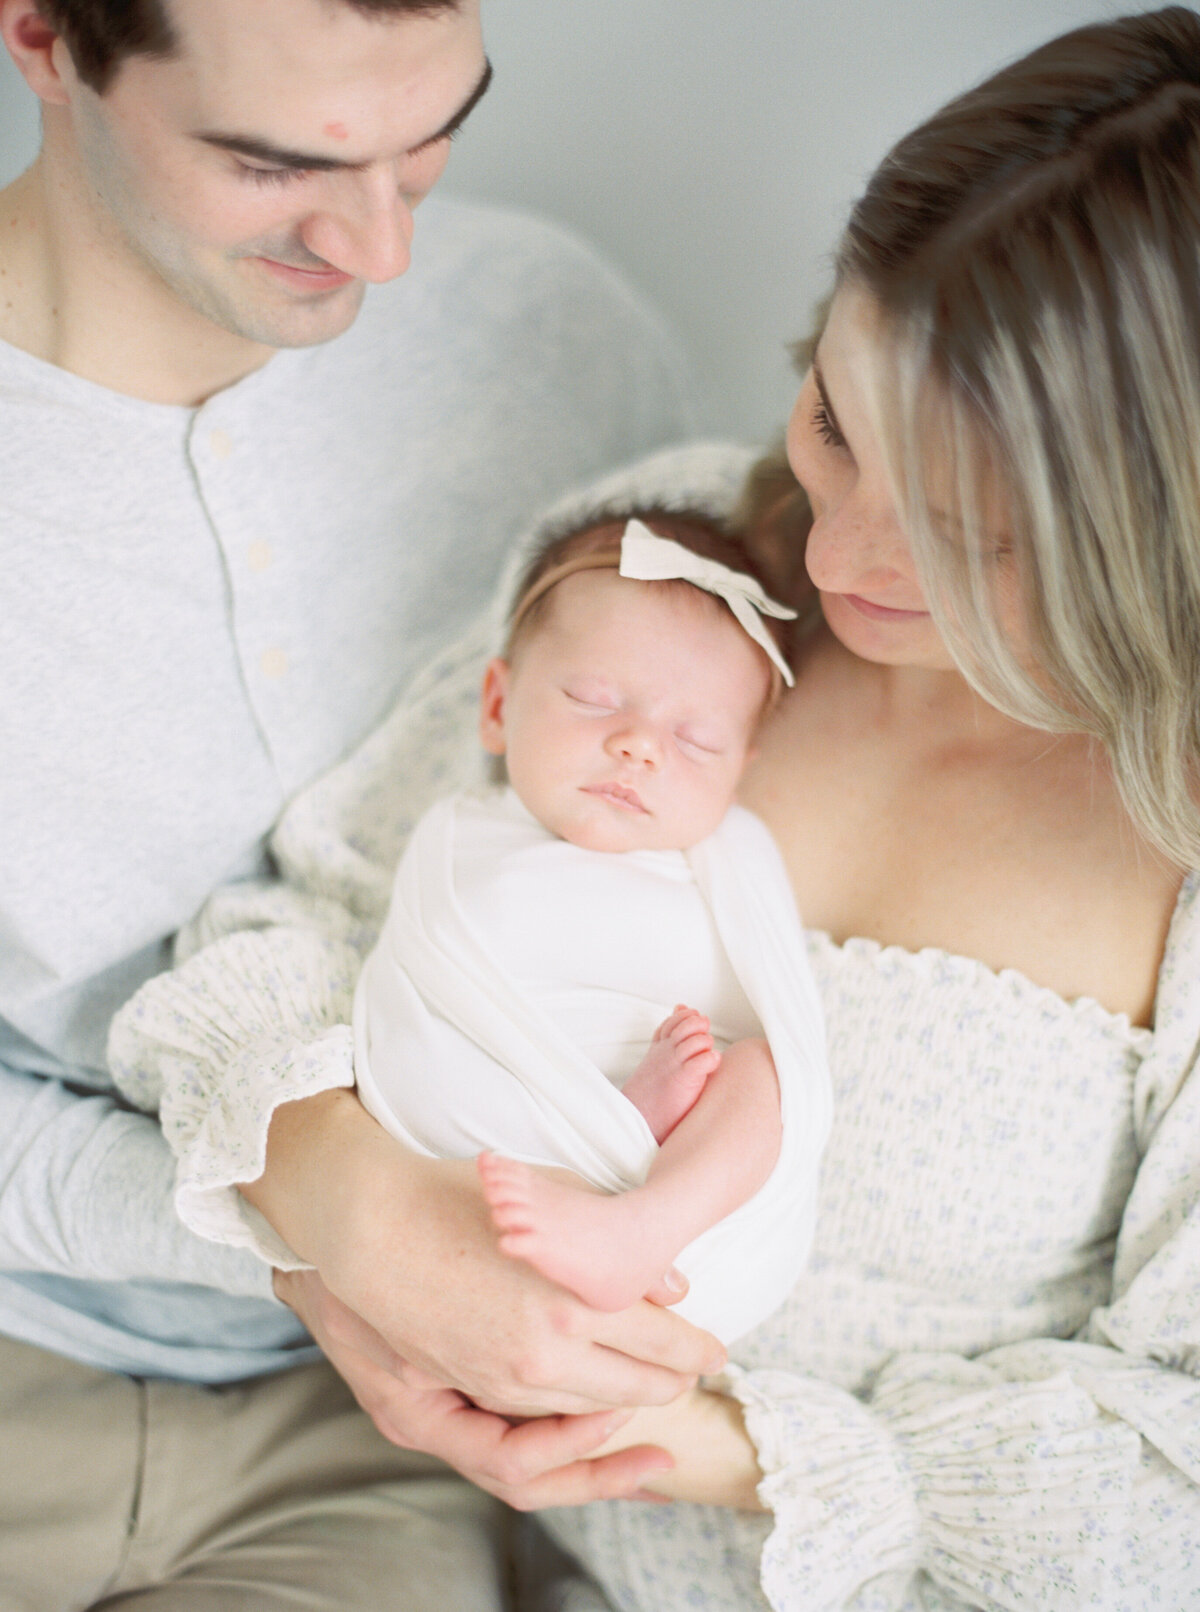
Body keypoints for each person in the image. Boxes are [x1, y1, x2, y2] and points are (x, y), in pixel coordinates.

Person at [110, 5, 1200, 1607]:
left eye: (975, 537)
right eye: (838, 422)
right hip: (434, 1534)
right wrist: (359, 1235)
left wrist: (723, 1446)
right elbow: (298, 926)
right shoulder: (672, 590)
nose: (837, 568)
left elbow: (1172, 1476)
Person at [0, 0, 711, 1605]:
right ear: (44, 35)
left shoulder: (557, 332)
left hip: (369, 1447)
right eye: (276, 166)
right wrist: (315, 1222)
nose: (382, 248)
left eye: (432, 137)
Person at [311, 509, 832, 1340]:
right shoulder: (458, 837)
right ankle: (616, 1129)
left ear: (738, 776)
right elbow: (409, 993)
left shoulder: (727, 862)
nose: (639, 747)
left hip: (682, 1216)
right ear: (496, 704)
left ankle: (643, 1217)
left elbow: (781, 1023)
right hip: (458, 1182)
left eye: (697, 742)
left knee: (770, 1078)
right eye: (594, 700)